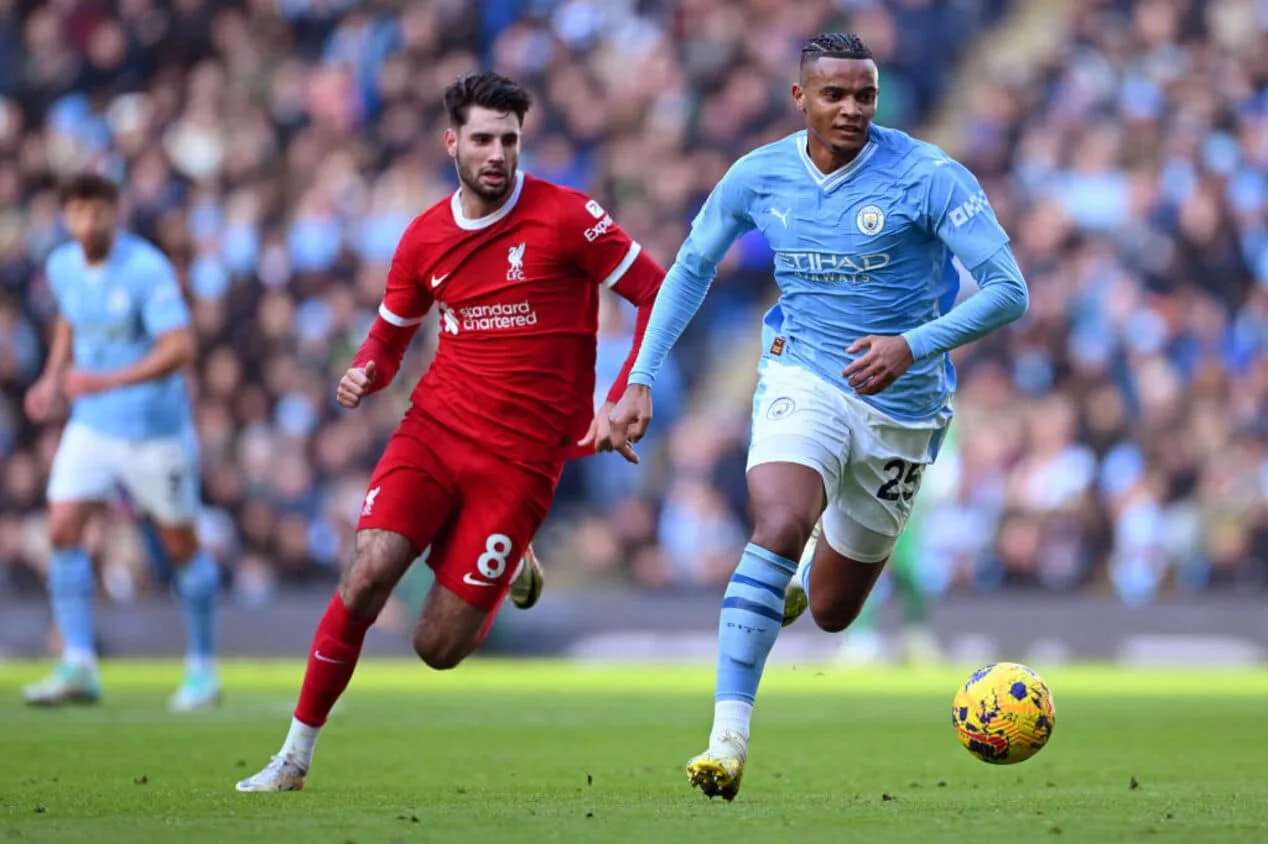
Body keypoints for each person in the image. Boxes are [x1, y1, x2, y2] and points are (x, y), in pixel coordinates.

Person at [608, 33, 1030, 800]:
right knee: (775, 520)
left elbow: (1009, 290)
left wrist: (912, 344)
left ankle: (805, 569)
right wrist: (640, 378)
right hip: (804, 374)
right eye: (834, 95)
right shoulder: (758, 176)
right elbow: (692, 267)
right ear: (799, 98)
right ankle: (726, 741)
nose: (851, 109)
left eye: (864, 95)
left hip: (903, 410)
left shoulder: (930, 176)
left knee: (834, 614)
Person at [236, 71, 663, 792]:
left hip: (522, 464)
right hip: (435, 430)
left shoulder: (568, 218)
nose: (497, 153)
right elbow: (388, 336)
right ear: (452, 143)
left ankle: (508, 558)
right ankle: (293, 758)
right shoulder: (424, 237)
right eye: (483, 139)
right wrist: (366, 372)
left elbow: (656, 290)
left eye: (509, 140)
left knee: (435, 647)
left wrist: (628, 390)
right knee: (368, 570)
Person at [22, 173, 222, 711]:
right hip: (91, 425)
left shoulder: (145, 269)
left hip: (153, 431)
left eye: (99, 211)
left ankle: (203, 667)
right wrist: (51, 377)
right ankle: (79, 663)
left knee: (181, 547)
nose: (89, 222)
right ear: (66, 216)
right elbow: (69, 317)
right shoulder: (62, 264)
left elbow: (180, 348)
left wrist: (102, 381)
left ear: (117, 211)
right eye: (79, 212)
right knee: (62, 528)